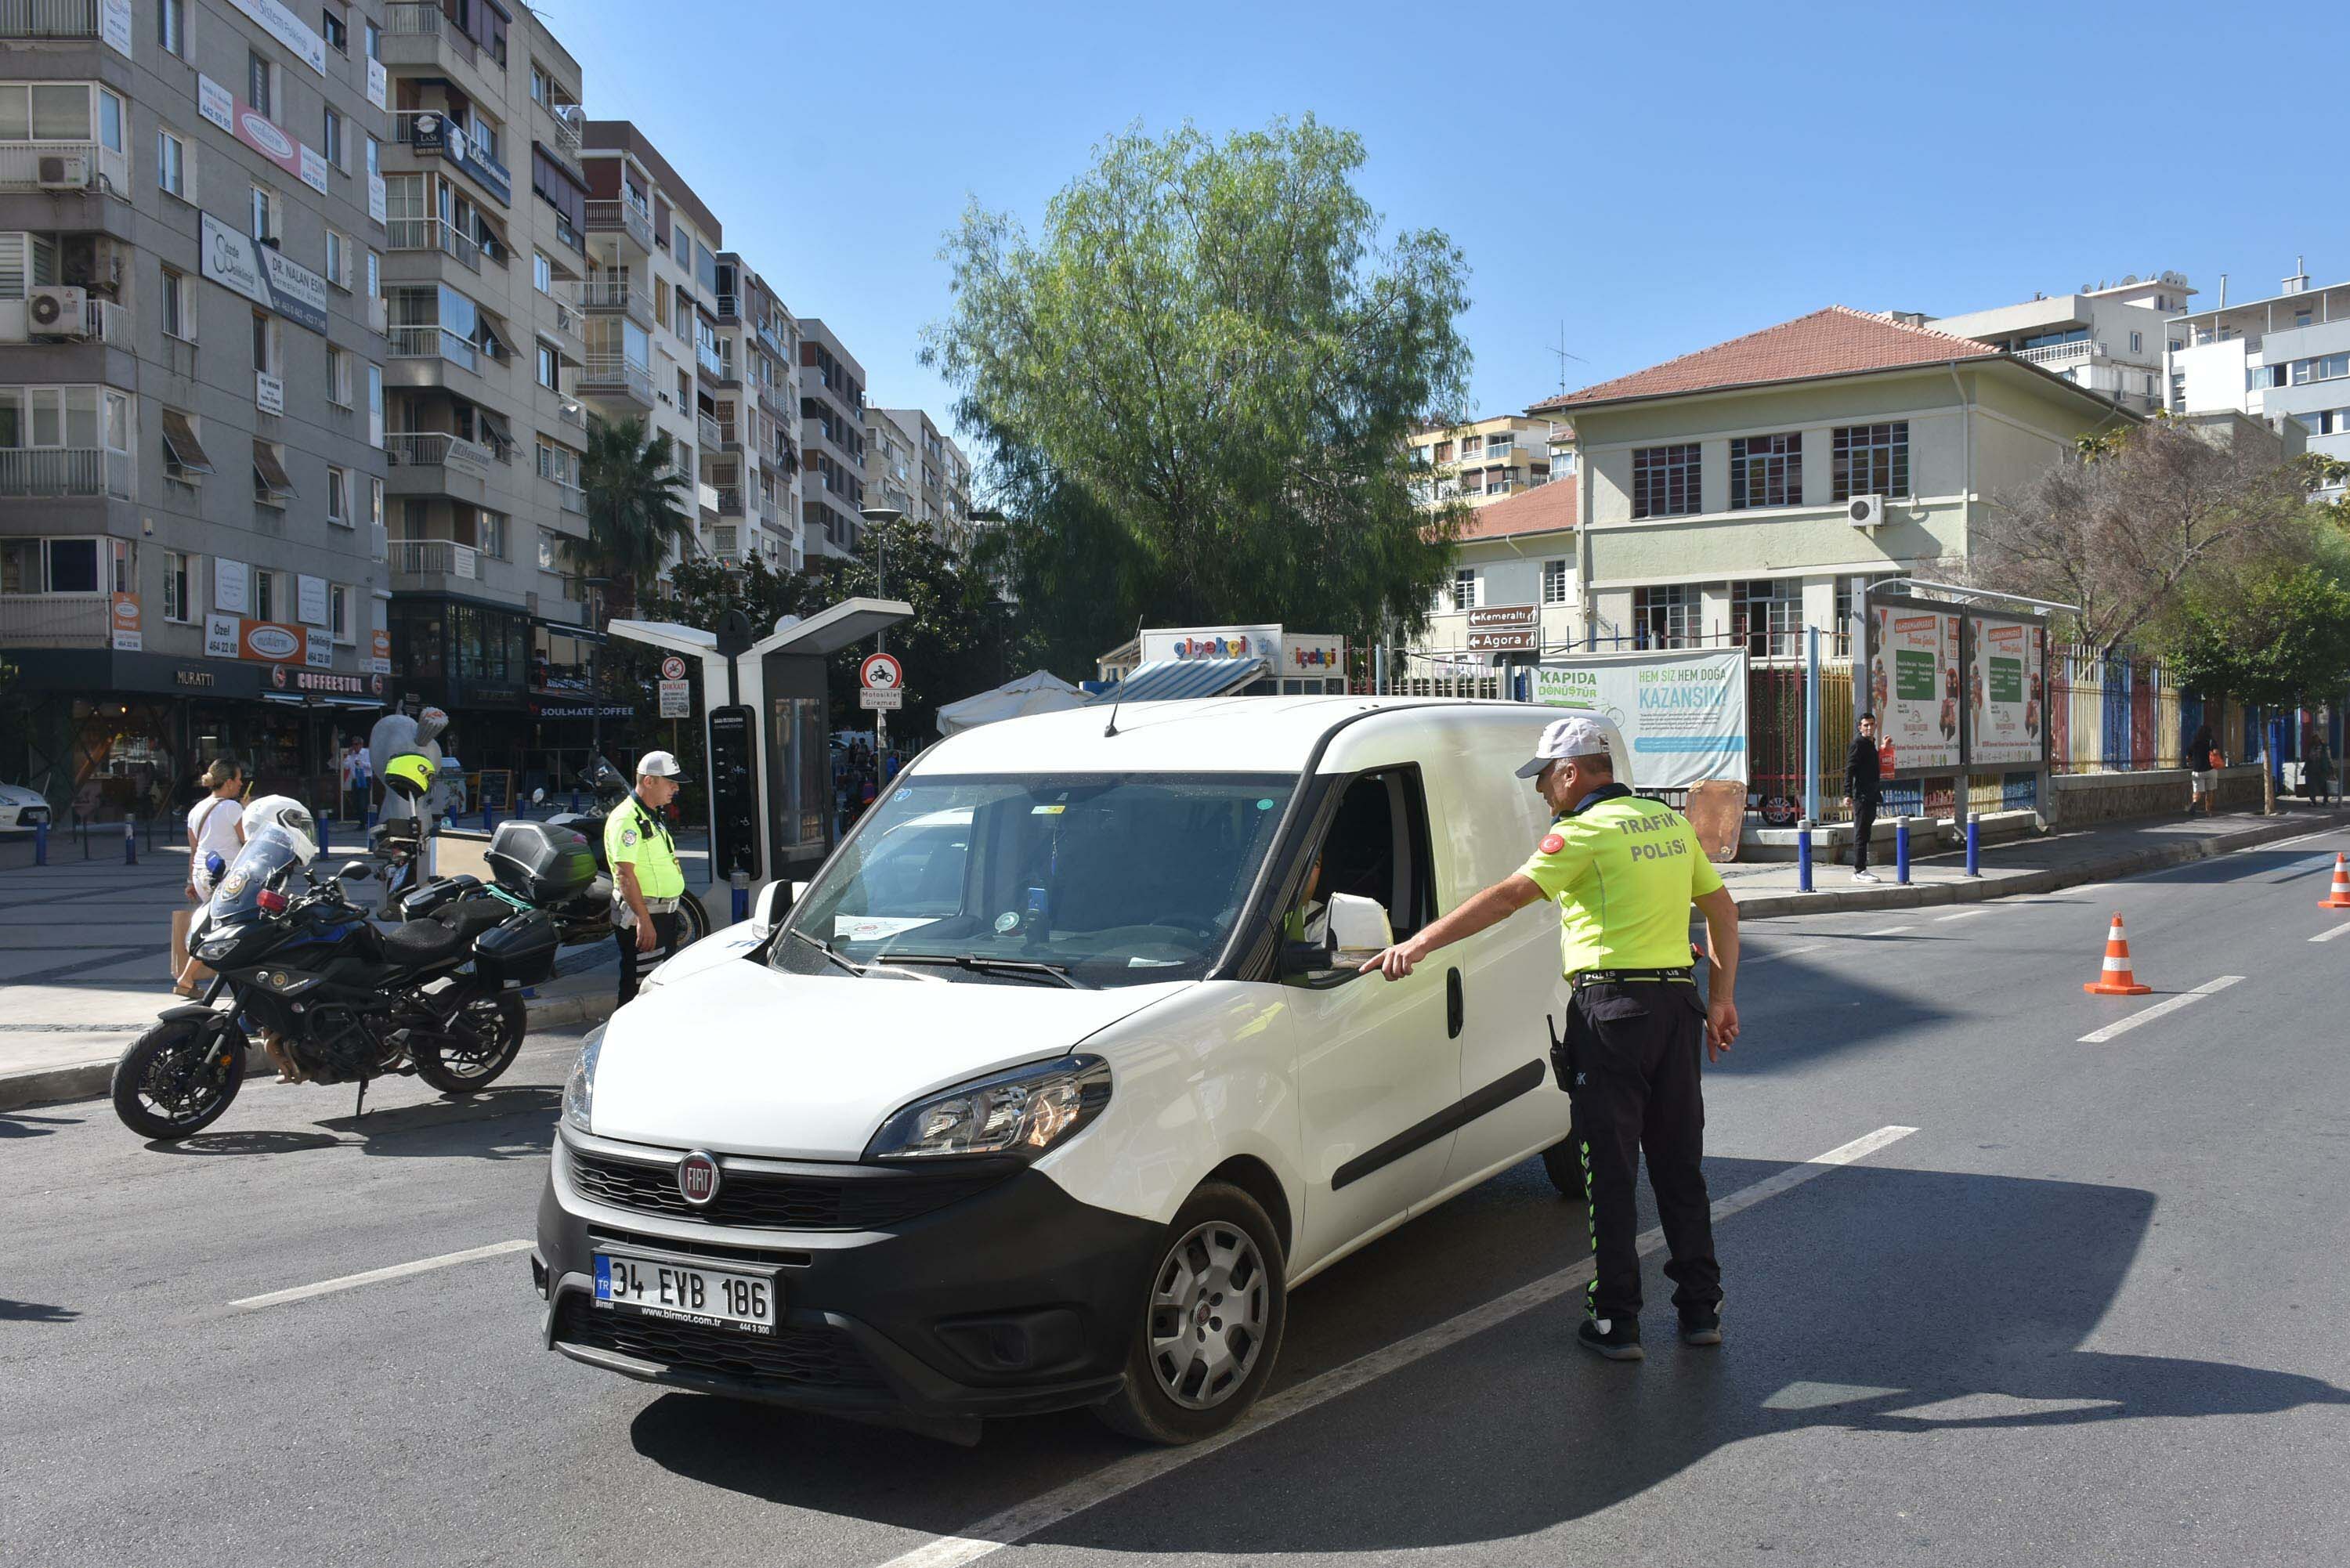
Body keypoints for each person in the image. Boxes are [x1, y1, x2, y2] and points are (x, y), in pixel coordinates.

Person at [1361, 714, 1741, 1362]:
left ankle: (1616, 1320)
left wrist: (1419, 943)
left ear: (1571, 773)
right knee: (1680, 1166)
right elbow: (1723, 910)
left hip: (1612, 1015)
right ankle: (1700, 1310)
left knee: (1612, 1171)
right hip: (1678, 1009)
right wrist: (1723, 1001)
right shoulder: (1668, 823)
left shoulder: (1582, 834)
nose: (1541, 793)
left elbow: (1507, 897)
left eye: (1544, 779)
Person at [608, 750, 689, 1006]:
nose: (676, 788)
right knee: (640, 992)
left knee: (656, 989)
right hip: (646, 915)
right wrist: (644, 919)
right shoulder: (627, 819)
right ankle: (624, 1043)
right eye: (670, 782)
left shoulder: (648, 814)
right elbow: (624, 873)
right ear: (649, 781)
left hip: (660, 915)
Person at [175, 761, 246, 997]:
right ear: (227, 783)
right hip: (225, 877)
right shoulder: (232, 808)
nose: (241, 783)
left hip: (201, 875)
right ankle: (188, 978)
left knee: (215, 926)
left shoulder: (197, 810)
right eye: (238, 779)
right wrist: (247, 811)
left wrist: (189, 882)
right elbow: (248, 841)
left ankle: (188, 978)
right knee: (229, 929)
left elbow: (194, 850)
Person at [1844, 713, 1883, 883]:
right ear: (1860, 727)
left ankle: (1862, 868)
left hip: (1872, 794)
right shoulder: (1858, 743)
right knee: (1861, 833)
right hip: (1862, 795)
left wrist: (1883, 747)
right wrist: (1847, 794)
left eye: (1872, 724)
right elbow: (1849, 769)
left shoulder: (1870, 744)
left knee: (1866, 832)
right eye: (1866, 725)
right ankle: (1859, 870)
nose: (1869, 728)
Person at [2188, 721, 2219, 815]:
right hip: (2210, 770)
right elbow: (2216, 752)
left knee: (2197, 791)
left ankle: (2194, 802)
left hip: (2197, 771)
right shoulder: (2211, 741)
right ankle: (2208, 811)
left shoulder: (2195, 742)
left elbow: (2188, 757)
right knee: (2209, 791)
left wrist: (2191, 763)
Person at [2302, 732, 2335, 807]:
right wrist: (2304, 769)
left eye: (2316, 738)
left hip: (2322, 768)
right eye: (2314, 738)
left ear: (2319, 739)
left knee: (2322, 784)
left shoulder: (2325, 747)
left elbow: (2329, 758)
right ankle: (2313, 800)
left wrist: (2331, 769)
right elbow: (2308, 758)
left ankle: (2325, 799)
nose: (2315, 740)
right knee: (2311, 785)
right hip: (2312, 768)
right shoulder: (2311, 747)